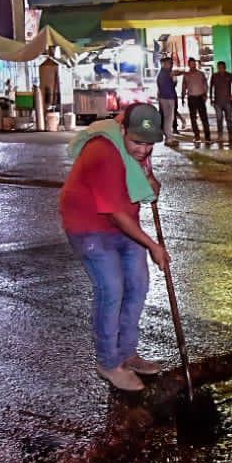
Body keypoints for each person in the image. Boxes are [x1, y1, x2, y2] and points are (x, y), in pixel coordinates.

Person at [60, 103, 171, 392]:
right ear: (122, 130)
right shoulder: (103, 152)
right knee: (112, 289)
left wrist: (151, 182)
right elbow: (115, 214)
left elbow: (143, 185)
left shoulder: (139, 149)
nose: (144, 150)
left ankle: (127, 353)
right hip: (89, 226)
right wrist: (153, 246)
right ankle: (109, 362)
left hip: (123, 222)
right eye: (137, 142)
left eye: (150, 144)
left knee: (138, 284)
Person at [209, 60, 232, 147]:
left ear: (225, 68)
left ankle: (231, 136)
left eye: (222, 67)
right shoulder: (214, 76)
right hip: (217, 102)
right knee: (219, 119)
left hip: (227, 101)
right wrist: (211, 99)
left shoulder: (229, 75)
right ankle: (220, 136)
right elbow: (211, 87)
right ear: (217, 68)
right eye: (219, 67)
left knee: (229, 119)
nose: (221, 69)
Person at [182, 58, 210, 144]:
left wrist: (205, 95)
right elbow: (184, 87)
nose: (193, 65)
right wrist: (182, 97)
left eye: (194, 63)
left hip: (200, 97)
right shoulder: (186, 75)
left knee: (204, 118)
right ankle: (196, 136)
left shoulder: (201, 74)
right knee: (193, 118)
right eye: (191, 64)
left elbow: (205, 85)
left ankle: (207, 137)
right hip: (191, 98)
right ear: (188, 64)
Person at [155, 55, 179, 146]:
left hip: (165, 97)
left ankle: (169, 137)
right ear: (164, 64)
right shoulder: (166, 73)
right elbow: (172, 84)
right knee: (169, 118)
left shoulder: (162, 73)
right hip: (167, 98)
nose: (171, 65)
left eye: (171, 63)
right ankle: (169, 139)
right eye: (169, 63)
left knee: (168, 118)